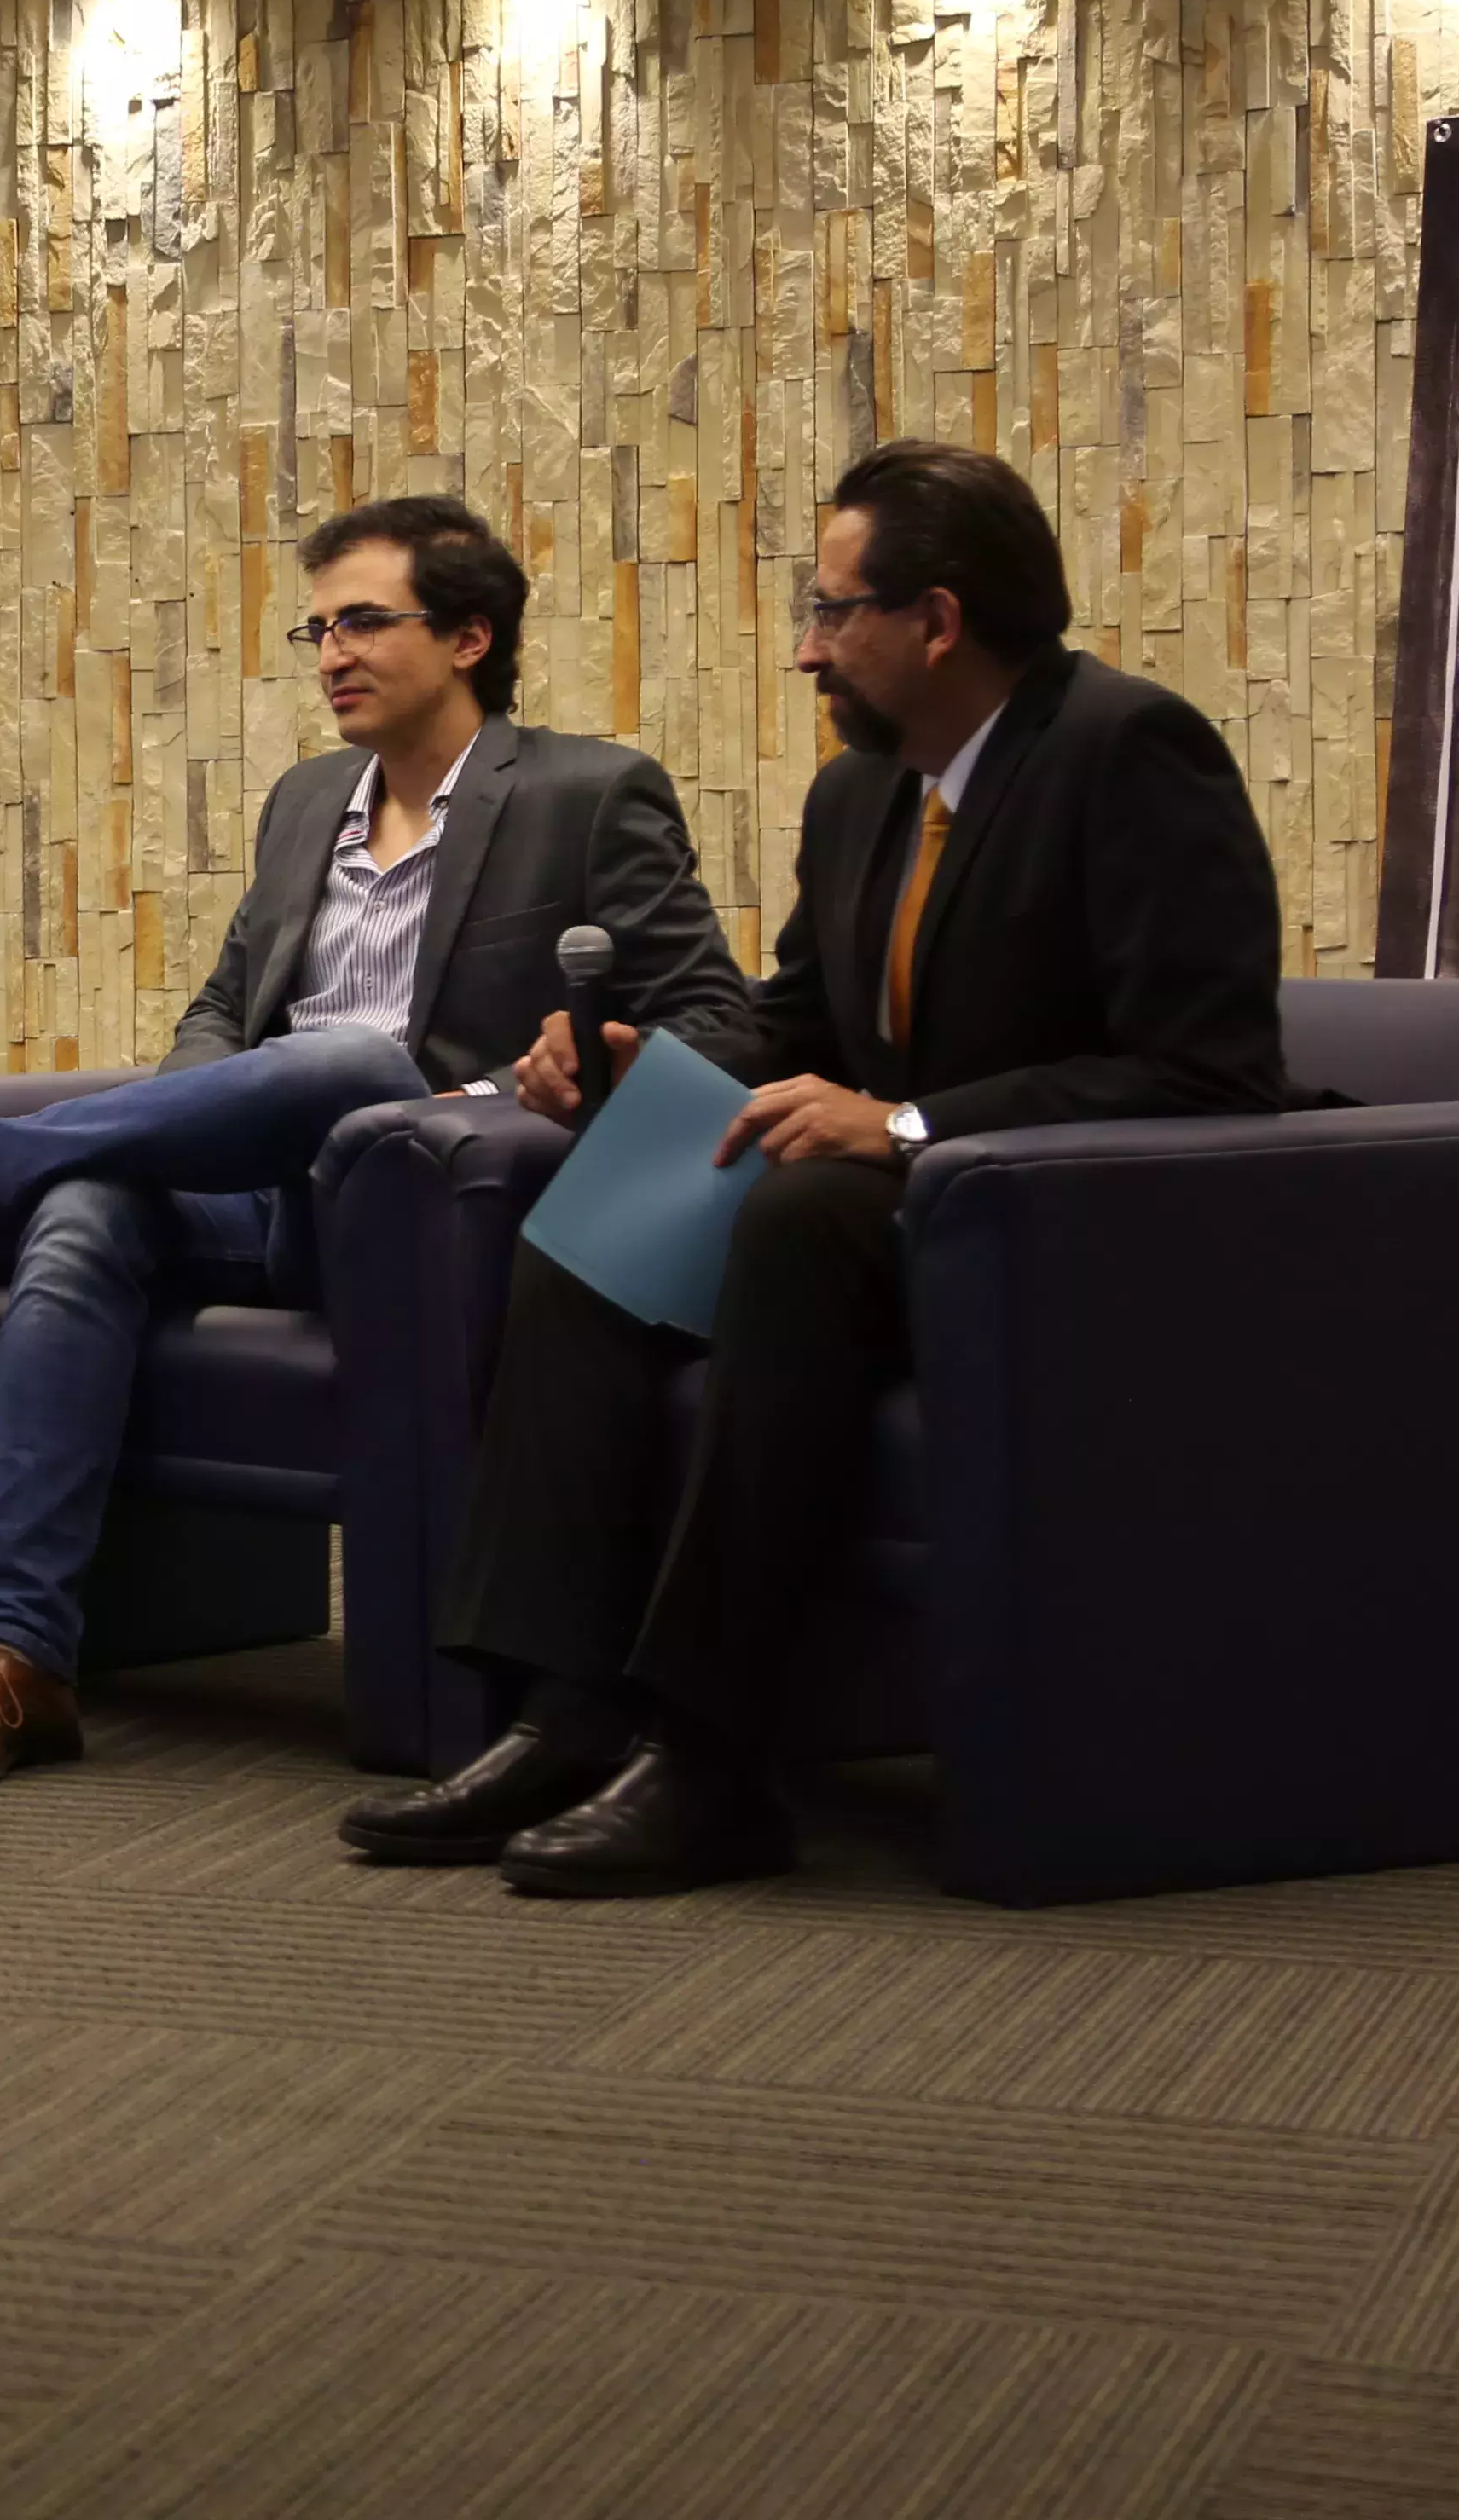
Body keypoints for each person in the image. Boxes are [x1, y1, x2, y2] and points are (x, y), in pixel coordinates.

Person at [347, 439, 1291, 1895]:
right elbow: (795, 1026)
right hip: (889, 1226)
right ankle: (568, 1707)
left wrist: (913, 1128)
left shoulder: (1125, 750)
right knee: (598, 1207)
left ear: (938, 620)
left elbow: (1209, 1069)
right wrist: (616, 1072)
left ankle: (715, 1759)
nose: (804, 650)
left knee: (804, 1211)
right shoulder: (864, 797)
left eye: (832, 610)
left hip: (1078, 1239)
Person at [0, 496, 747, 1792]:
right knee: (87, 1205)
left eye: (365, 620)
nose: (331, 653)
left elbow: (722, 1021)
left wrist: (601, 1059)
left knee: (359, 1066)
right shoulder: (310, 802)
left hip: (423, 1203)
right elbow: (220, 1009)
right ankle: (17, 1663)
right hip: (256, 1197)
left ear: (471, 636)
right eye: (318, 627)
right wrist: (186, 1126)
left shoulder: (590, 794)